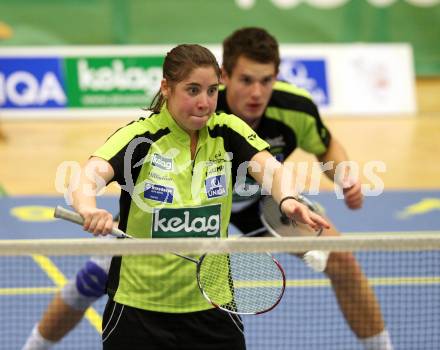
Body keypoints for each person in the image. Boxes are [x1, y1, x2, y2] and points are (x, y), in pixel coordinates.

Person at [23, 43, 328, 350]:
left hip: (213, 307)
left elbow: (271, 169)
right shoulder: (141, 138)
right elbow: (87, 176)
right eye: (192, 90)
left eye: (212, 91)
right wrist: (89, 209)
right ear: (166, 88)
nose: (204, 102)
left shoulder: (226, 131)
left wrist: (288, 199)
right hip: (138, 311)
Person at [219, 27, 393, 350]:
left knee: (341, 260)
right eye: (246, 80)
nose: (257, 92)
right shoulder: (200, 109)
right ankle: (90, 285)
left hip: (265, 204)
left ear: (276, 76)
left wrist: (345, 176)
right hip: (200, 206)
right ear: (224, 75)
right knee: (115, 260)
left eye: (266, 80)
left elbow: (326, 146)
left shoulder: (294, 107)